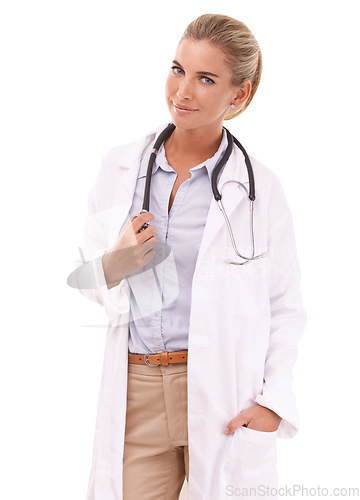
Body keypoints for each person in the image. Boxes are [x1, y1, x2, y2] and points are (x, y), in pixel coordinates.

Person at [69, 13, 306, 500]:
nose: (183, 91)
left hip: (222, 395)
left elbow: (285, 306)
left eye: (205, 79)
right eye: (178, 69)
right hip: (138, 388)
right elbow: (87, 280)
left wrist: (273, 403)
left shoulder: (261, 192)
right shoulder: (120, 169)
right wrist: (116, 261)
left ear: (238, 95)